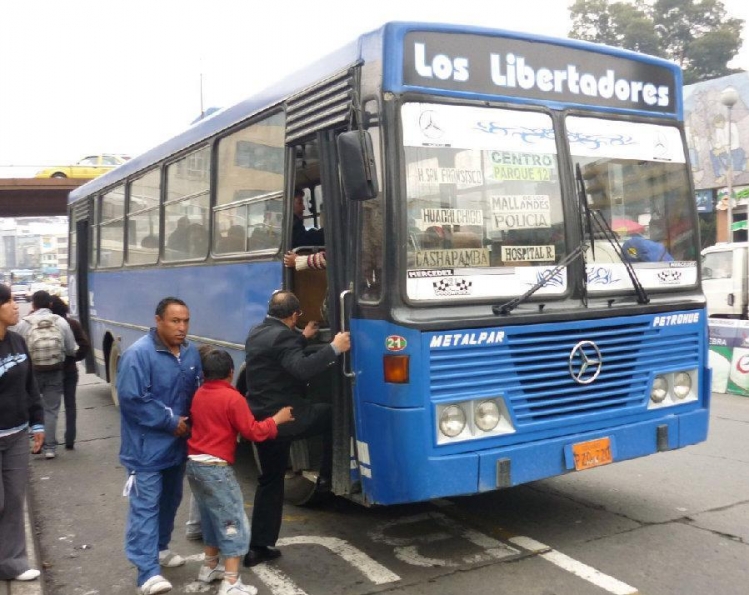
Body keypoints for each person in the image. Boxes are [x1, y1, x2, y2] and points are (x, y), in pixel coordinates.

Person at [243, 290, 350, 567]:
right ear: (294, 316)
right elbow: (301, 369)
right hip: (287, 418)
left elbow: (280, 353)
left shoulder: (257, 332)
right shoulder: (283, 337)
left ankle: (259, 545)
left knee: (270, 481)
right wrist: (334, 347)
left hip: (261, 420)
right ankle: (328, 478)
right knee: (334, 416)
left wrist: (302, 338)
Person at [187, 348, 294, 595]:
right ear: (231, 372)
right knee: (233, 522)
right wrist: (277, 419)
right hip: (216, 469)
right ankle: (231, 582)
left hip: (194, 466)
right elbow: (253, 432)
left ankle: (210, 567)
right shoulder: (233, 398)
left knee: (212, 520)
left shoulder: (199, 393)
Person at [117, 297, 202, 595]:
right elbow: (131, 399)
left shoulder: (191, 353)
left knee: (171, 501)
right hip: (145, 450)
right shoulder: (137, 355)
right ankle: (147, 572)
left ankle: (160, 549)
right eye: (175, 321)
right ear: (158, 320)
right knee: (145, 507)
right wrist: (169, 421)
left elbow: (197, 392)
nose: (182, 328)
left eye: (186, 321)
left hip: (177, 447)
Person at [0, 284, 44, 582]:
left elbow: (31, 387)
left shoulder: (17, 341)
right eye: (10, 302)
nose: (17, 307)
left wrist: (38, 423)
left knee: (15, 500)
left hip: (17, 434)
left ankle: (12, 562)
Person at [12, 290, 77, 460]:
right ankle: (50, 448)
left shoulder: (24, 323)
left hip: (31, 372)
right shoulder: (60, 321)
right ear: (50, 304)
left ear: (32, 305)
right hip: (55, 371)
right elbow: (71, 348)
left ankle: (36, 443)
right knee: (51, 410)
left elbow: (17, 348)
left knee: (31, 408)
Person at [50, 295, 90, 450]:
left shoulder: (44, 324)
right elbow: (84, 345)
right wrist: (73, 358)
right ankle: (69, 439)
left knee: (50, 406)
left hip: (48, 371)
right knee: (70, 404)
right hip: (69, 370)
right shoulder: (72, 324)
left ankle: (49, 441)